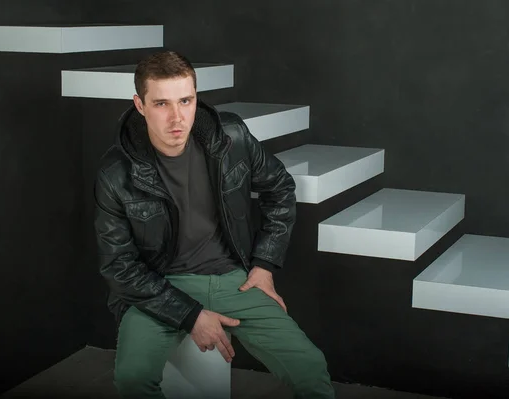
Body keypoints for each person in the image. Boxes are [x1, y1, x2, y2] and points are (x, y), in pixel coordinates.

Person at [93, 50, 335, 398]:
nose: (177, 117)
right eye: (161, 104)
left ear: (196, 99)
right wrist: (190, 315)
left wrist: (264, 264)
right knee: (132, 379)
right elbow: (118, 266)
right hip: (159, 287)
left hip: (233, 279)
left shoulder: (231, 137)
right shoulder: (115, 173)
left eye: (186, 101)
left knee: (311, 368)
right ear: (140, 105)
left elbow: (280, 188)